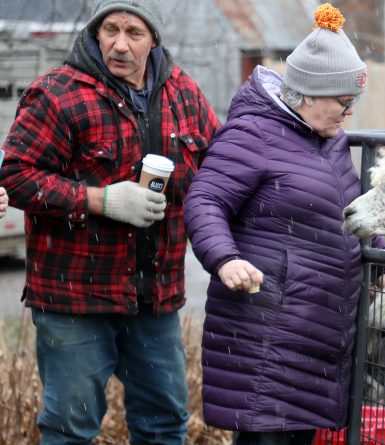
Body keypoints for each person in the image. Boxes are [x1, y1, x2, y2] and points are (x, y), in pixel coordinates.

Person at [0, 0, 220, 443]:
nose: (120, 44)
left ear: (153, 40)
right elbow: (17, 176)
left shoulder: (183, 93)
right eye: (110, 31)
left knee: (164, 423)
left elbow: (217, 167)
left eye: (133, 33)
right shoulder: (57, 93)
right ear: (96, 34)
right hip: (74, 299)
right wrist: (99, 200)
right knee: (70, 427)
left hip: (153, 299)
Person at [184, 4, 385, 445]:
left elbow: (345, 208)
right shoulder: (254, 134)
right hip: (269, 334)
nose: (349, 112)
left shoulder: (327, 142)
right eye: (344, 101)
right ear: (311, 93)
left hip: (314, 339)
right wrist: (225, 260)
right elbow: (205, 199)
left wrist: (382, 258)